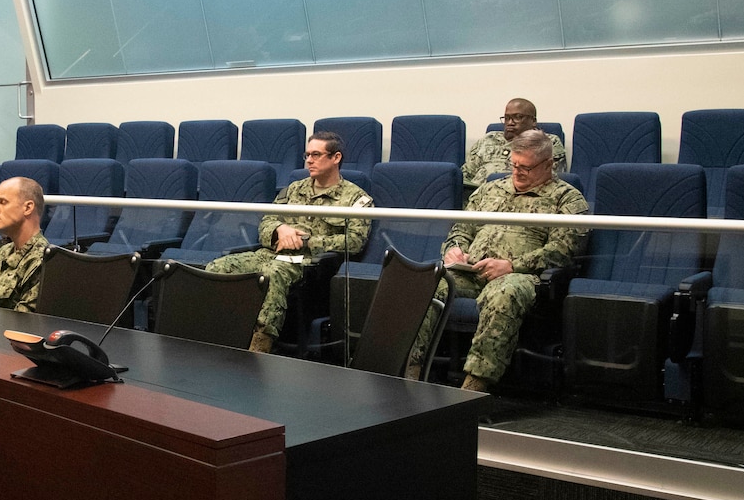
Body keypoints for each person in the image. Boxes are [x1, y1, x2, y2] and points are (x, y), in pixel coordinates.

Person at [408, 129, 589, 393]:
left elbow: (563, 249)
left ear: (549, 164)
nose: (517, 172)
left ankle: (475, 386)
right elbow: (461, 228)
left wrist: (512, 265)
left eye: (526, 167)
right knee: (426, 282)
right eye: (514, 165)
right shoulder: (490, 189)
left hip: (520, 276)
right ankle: (410, 373)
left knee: (504, 294)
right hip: (470, 271)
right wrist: (455, 249)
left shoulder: (567, 198)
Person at [206, 132, 373, 353]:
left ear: (336, 157)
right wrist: (279, 229)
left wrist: (306, 241)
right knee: (217, 267)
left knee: (275, 273)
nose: (309, 160)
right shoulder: (294, 189)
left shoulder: (356, 199)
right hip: (270, 254)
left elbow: (354, 242)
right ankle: (219, 334)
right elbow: (267, 220)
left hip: (310, 265)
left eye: (316, 154)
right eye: (307, 155)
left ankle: (260, 344)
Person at [0, 177, 49, 312]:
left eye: (3, 202)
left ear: (28, 208)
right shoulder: (4, 252)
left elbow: (25, 321)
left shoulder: (43, 261)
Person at [462, 98, 567, 189]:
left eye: (517, 117)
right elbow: (466, 175)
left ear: (533, 121)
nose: (510, 123)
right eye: (506, 118)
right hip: (475, 195)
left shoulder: (547, 142)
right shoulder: (488, 138)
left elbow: (547, 178)